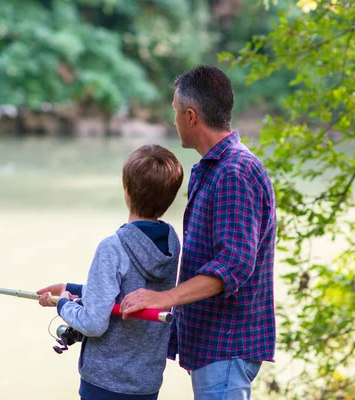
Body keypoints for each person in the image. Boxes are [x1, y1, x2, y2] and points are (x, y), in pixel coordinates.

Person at [120, 65, 277, 400]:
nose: (173, 119)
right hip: (213, 345)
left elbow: (234, 265)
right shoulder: (213, 168)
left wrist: (163, 299)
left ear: (191, 116)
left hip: (228, 346)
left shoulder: (234, 172)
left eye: (175, 112)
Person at [37, 144, 184, 400]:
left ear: (126, 191)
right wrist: (70, 289)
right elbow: (125, 293)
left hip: (105, 384)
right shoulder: (172, 242)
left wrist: (62, 305)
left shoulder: (113, 247)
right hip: (147, 383)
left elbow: (94, 323)